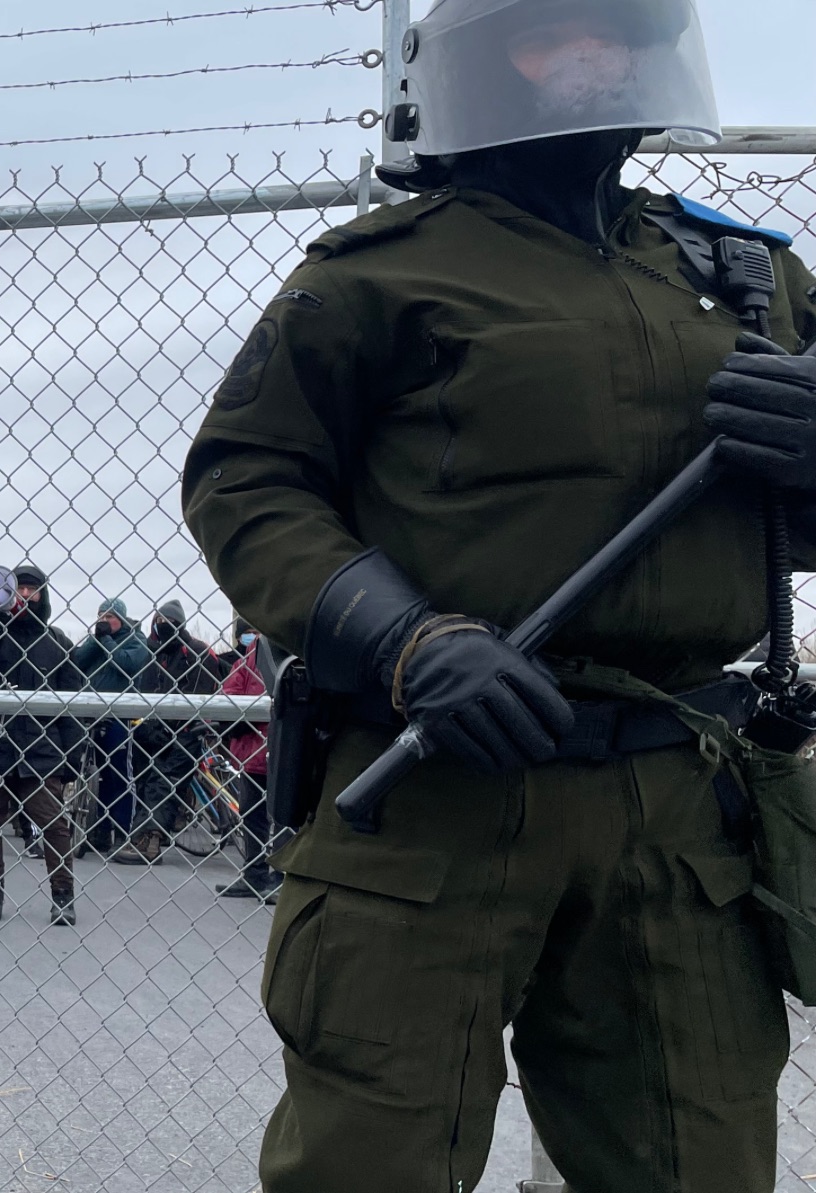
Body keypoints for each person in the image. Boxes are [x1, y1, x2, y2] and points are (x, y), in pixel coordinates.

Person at [181, 2, 807, 1186]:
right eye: (545, 38)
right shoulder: (378, 277)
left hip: (677, 801)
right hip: (433, 786)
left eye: (613, 37)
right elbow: (246, 479)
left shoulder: (749, 277)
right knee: (370, 1161)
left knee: (694, 1157)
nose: (589, 61)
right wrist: (406, 638)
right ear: (474, 71)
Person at [0, 565, 85, 925]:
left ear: (43, 596)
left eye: (32, 590)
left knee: (55, 824)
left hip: (41, 749)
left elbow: (74, 705)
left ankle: (63, 896)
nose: (25, 596)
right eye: (19, 589)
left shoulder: (55, 642)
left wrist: (70, 758)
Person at [117, 600, 219, 865]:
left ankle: (147, 840)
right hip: (155, 731)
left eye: (170, 622)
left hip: (188, 731)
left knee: (162, 780)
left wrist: (176, 728)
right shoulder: (153, 655)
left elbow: (201, 696)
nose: (163, 627)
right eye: (159, 622)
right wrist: (150, 728)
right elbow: (145, 695)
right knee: (145, 775)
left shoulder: (197, 652)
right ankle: (146, 833)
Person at [71, 598, 151, 854]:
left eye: (110, 617)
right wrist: (96, 639)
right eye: (100, 616)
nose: (104, 621)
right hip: (91, 713)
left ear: (122, 618)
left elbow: (127, 665)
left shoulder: (137, 641)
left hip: (119, 716)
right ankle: (99, 831)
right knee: (94, 773)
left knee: (119, 775)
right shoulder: (98, 640)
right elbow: (77, 662)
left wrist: (106, 641)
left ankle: (123, 831)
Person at [213, 625, 278, 902]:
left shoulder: (289, 648)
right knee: (251, 815)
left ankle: (282, 878)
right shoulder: (252, 653)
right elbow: (230, 689)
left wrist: (244, 712)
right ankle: (254, 876)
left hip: (281, 747)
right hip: (252, 752)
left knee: (288, 818)